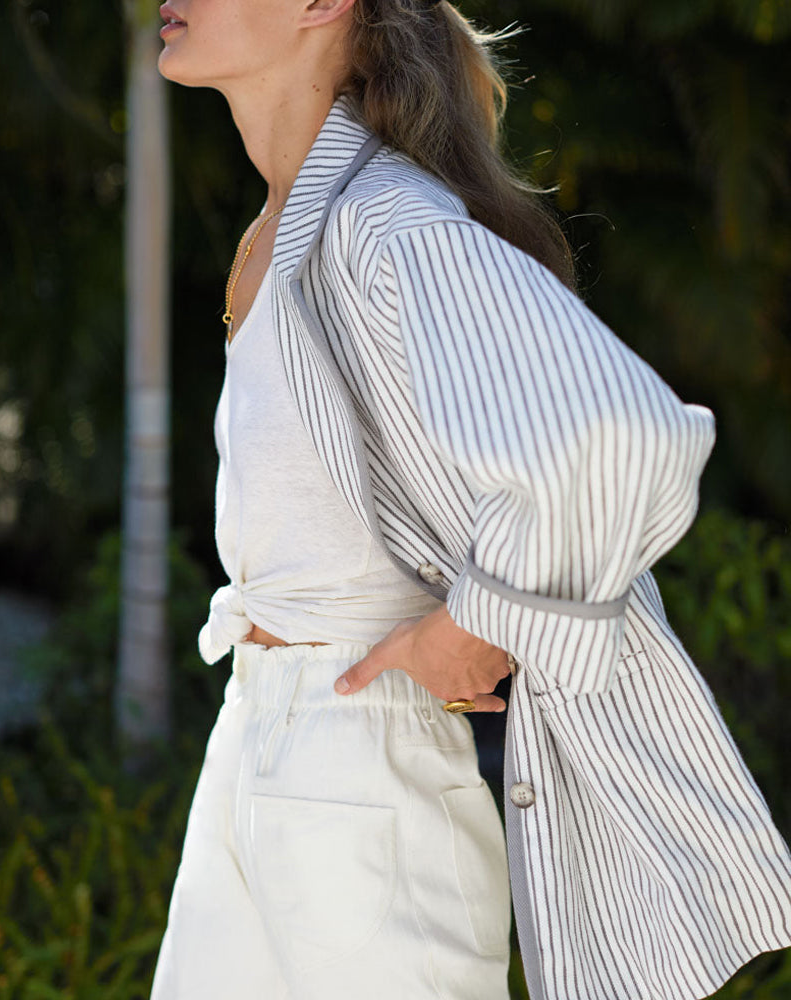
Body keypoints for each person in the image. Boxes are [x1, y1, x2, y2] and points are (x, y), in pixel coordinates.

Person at [151, 0, 791, 998]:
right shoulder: (282, 231)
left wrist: (481, 620)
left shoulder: (385, 222)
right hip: (256, 737)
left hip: (363, 763)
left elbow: (624, 436)